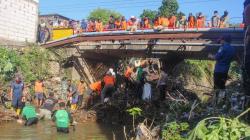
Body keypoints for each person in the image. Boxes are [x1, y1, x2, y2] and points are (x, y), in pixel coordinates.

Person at [208, 35, 236, 106]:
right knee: (222, 86)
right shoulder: (232, 49)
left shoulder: (222, 47)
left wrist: (210, 56)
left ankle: (215, 103)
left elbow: (217, 57)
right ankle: (223, 103)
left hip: (218, 70)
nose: (220, 41)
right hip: (225, 71)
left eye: (221, 40)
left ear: (224, 40)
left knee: (216, 87)